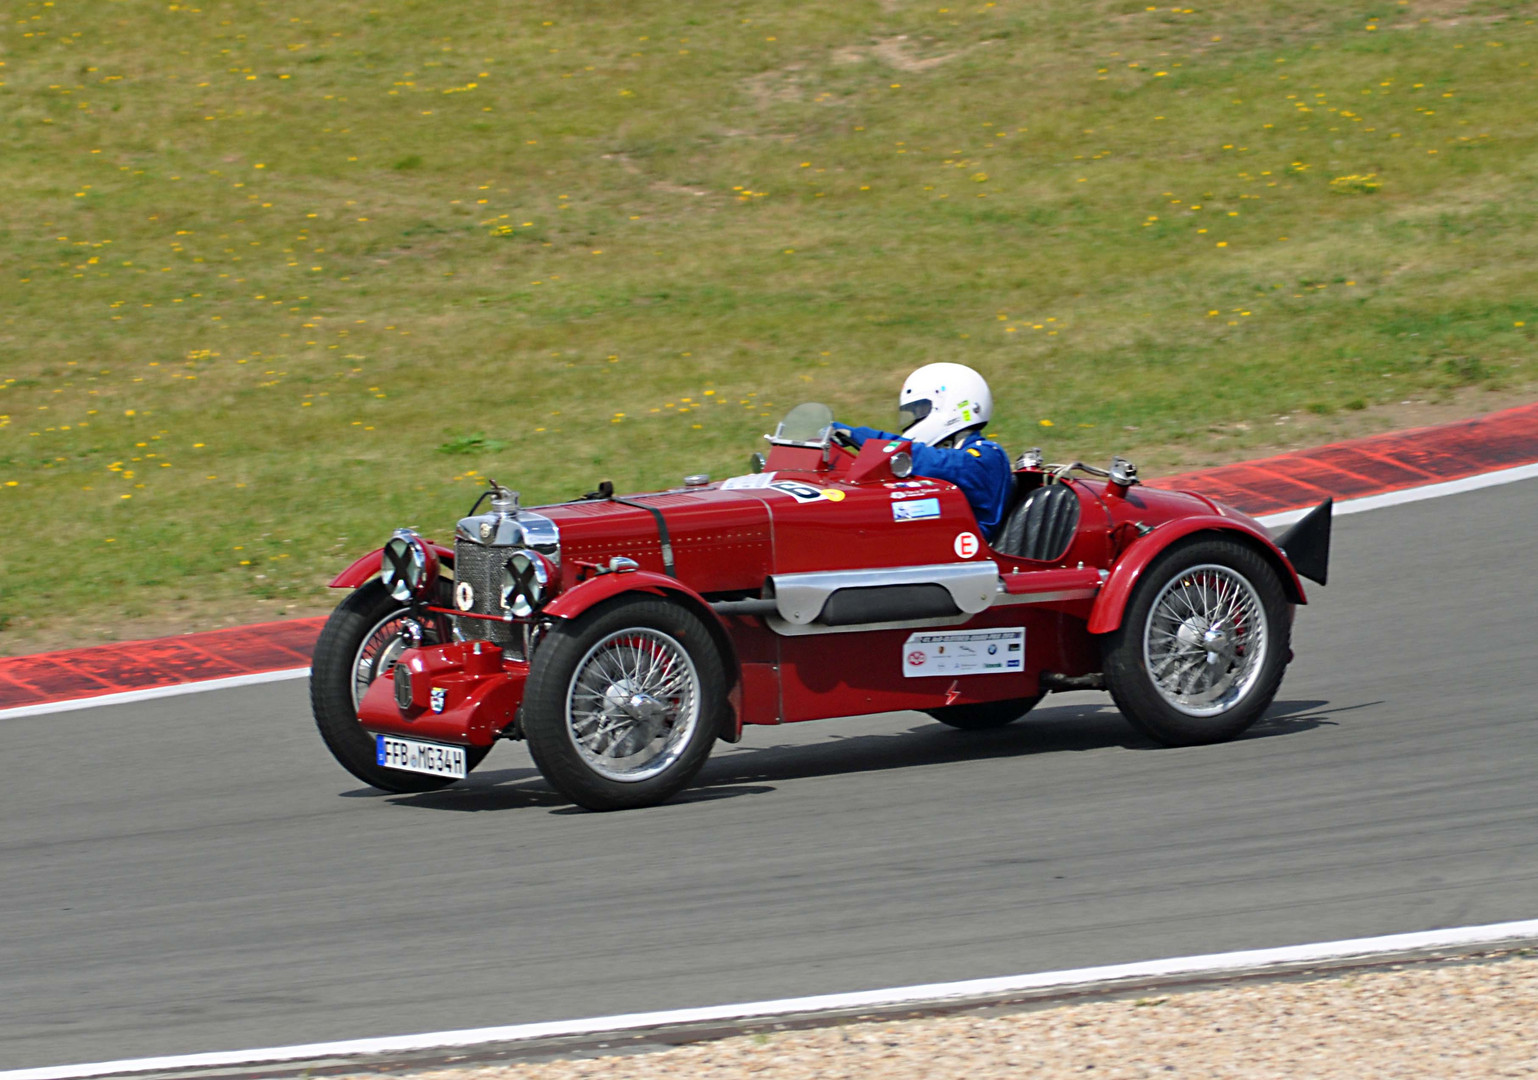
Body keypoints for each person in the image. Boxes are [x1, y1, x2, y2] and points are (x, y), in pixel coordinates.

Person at [837, 363, 1013, 541]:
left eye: (921, 410)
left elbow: (935, 463)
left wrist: (860, 436)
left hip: (968, 554)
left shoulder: (987, 456)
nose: (915, 417)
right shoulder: (946, 455)